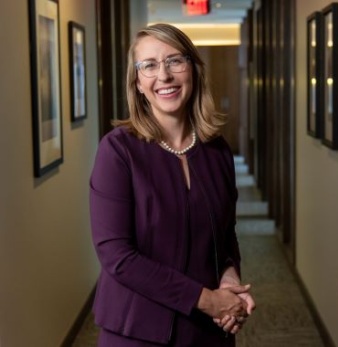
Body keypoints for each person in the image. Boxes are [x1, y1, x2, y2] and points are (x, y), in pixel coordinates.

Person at [89, 23, 255, 346]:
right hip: (138, 330)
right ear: (137, 82)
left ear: (192, 69)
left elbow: (225, 233)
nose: (163, 76)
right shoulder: (118, 151)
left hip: (208, 332)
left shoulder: (217, 150)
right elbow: (117, 256)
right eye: (149, 65)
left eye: (174, 61)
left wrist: (229, 275)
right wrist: (208, 300)